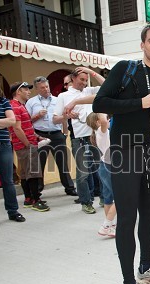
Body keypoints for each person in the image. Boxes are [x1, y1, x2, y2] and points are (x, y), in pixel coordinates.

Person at [92, 23, 150, 284]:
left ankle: (145, 268)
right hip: (126, 153)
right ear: (143, 45)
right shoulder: (125, 68)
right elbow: (101, 102)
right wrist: (139, 102)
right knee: (127, 218)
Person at [54, 67, 104, 214]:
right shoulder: (64, 96)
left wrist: (91, 71)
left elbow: (106, 84)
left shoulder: (89, 91)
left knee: (100, 169)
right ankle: (86, 202)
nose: (84, 82)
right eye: (81, 79)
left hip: (95, 136)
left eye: (86, 80)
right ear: (73, 79)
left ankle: (103, 197)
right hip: (79, 138)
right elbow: (55, 118)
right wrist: (67, 116)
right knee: (83, 172)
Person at [26, 76, 77, 197]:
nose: (46, 89)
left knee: (62, 162)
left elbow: (63, 116)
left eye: (47, 86)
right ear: (37, 89)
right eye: (42, 87)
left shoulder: (57, 99)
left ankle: (69, 187)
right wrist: (37, 115)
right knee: (40, 163)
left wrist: (65, 133)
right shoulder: (31, 102)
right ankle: (38, 189)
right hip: (40, 135)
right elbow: (27, 121)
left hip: (57, 134)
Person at [8, 82, 50, 212]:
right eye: (26, 89)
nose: (28, 91)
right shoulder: (15, 106)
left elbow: (27, 127)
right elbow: (17, 128)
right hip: (25, 144)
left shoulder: (21, 106)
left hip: (28, 142)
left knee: (27, 173)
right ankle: (36, 200)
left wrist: (37, 137)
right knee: (33, 173)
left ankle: (28, 199)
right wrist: (28, 144)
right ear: (18, 92)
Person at [0, 78, 25, 223]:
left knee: (8, 180)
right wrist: (2, 122)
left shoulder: (3, 101)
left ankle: (13, 211)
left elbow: (12, 121)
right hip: (2, 142)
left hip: (3, 145)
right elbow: (7, 121)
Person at [86, 112, 116, 238]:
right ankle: (106, 224)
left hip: (104, 166)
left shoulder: (98, 133)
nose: (108, 120)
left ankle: (111, 226)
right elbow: (104, 121)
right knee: (121, 196)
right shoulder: (101, 130)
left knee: (108, 197)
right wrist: (100, 106)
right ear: (98, 122)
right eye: (106, 118)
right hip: (109, 167)